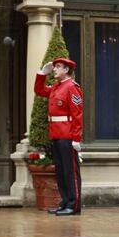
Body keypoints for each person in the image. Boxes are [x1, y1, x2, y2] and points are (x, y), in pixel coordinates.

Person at [34, 58, 83, 216]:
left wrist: (76, 138)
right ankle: (64, 202)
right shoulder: (57, 86)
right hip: (56, 134)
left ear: (66, 70)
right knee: (61, 172)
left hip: (67, 135)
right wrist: (42, 74)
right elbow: (40, 90)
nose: (54, 69)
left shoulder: (72, 87)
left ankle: (73, 205)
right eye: (54, 67)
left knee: (70, 172)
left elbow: (77, 115)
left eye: (58, 67)